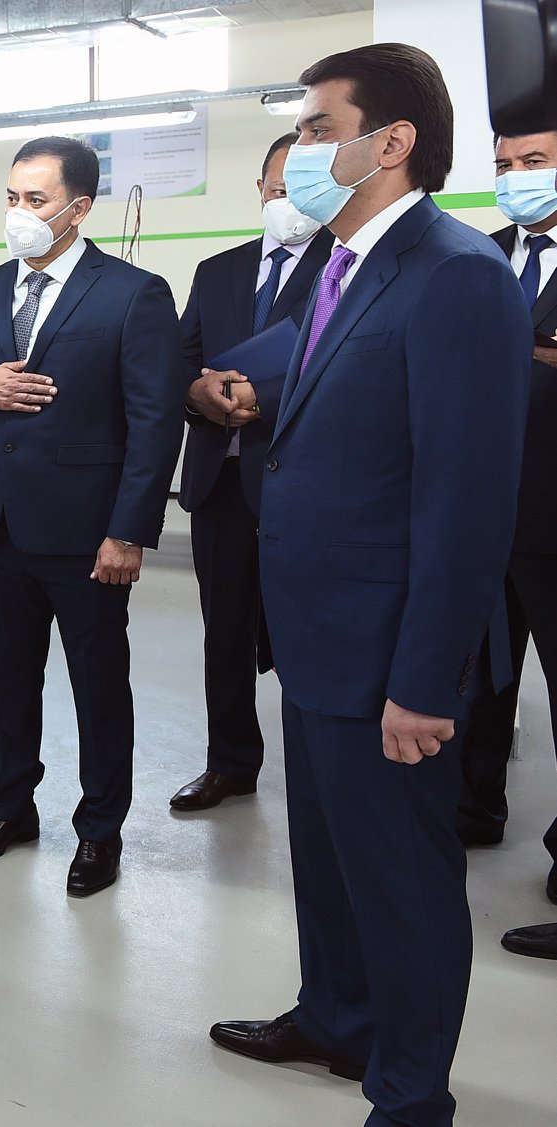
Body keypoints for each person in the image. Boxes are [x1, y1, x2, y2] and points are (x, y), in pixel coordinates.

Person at [208, 46, 527, 1127]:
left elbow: (463, 500)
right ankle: (337, 1017)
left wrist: (426, 681)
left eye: (314, 128)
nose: (297, 148)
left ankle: (409, 1092)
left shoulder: (455, 274)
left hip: (390, 652)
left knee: (401, 881)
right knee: (329, 860)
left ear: (389, 143)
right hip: (317, 637)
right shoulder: (341, 263)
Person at [0, 136, 185, 897]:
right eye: (11, 197)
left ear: (79, 207)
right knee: (9, 682)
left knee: (98, 688)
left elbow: (154, 421)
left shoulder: (132, 293)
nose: (19, 212)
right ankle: (11, 808)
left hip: (87, 533)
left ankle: (99, 829)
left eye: (35, 199)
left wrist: (128, 531)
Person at [170, 133, 335, 812]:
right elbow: (179, 359)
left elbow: (345, 370)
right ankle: (231, 762)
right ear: (260, 189)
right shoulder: (218, 271)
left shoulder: (346, 266)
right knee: (226, 633)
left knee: (308, 633)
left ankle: (320, 771)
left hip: (303, 488)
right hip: (220, 484)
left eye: (302, 187)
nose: (286, 200)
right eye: (277, 187)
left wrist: (261, 398)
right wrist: (195, 392)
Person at [455, 129, 557, 877]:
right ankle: (471, 808)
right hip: (477, 513)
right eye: (503, 165)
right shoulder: (474, 259)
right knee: (476, 677)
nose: (514, 177)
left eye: (534, 162)